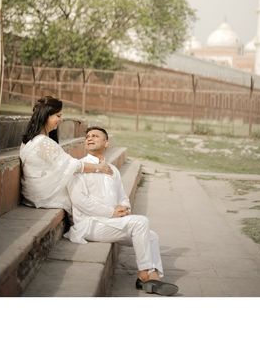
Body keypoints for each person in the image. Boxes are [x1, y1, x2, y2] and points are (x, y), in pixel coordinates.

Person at [64, 126, 179, 296]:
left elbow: (122, 196)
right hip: (89, 224)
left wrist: (125, 209)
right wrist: (111, 212)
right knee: (141, 222)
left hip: (111, 222)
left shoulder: (113, 170)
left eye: (95, 136)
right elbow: (80, 201)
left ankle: (152, 276)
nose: (89, 138)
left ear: (106, 143)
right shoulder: (79, 168)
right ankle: (144, 275)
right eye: (88, 136)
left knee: (151, 236)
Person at [20, 96, 113, 214]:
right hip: (42, 194)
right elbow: (73, 165)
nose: (61, 119)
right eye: (58, 116)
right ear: (46, 116)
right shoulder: (42, 142)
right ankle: (104, 213)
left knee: (81, 182)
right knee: (82, 180)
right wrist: (99, 167)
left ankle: (104, 210)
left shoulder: (30, 140)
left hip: (33, 192)